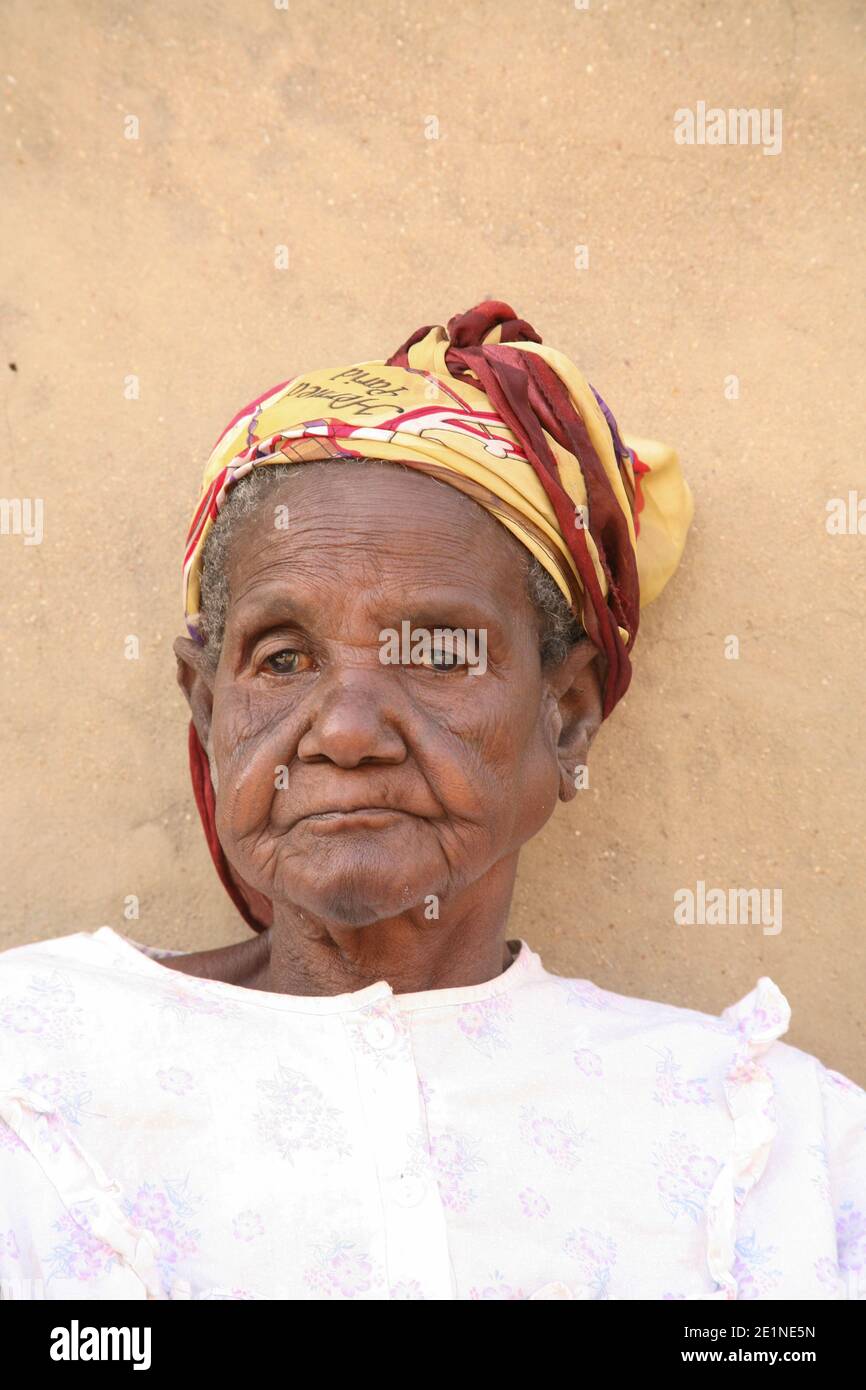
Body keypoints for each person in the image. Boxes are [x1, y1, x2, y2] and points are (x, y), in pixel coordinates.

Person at [0, 302, 862, 1301]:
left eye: (439, 652)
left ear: (566, 715)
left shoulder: (774, 1155)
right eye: (282, 658)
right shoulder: (30, 1068)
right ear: (206, 707)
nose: (348, 730)